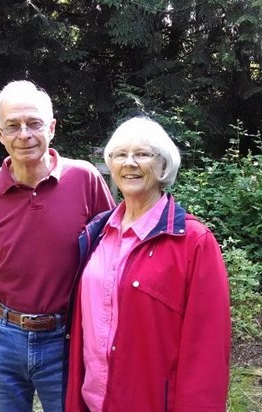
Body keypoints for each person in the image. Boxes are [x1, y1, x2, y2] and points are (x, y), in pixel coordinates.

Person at [0, 80, 115, 412]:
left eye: (34, 123)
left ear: (51, 128)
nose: (24, 134)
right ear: (0, 134)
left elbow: (114, 256)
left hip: (67, 338)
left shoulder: (84, 179)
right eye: (13, 126)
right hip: (1, 336)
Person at [64, 116, 231, 412]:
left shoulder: (194, 242)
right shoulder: (96, 233)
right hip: (91, 401)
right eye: (120, 154)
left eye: (142, 154)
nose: (129, 163)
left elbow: (207, 353)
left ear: (163, 165)